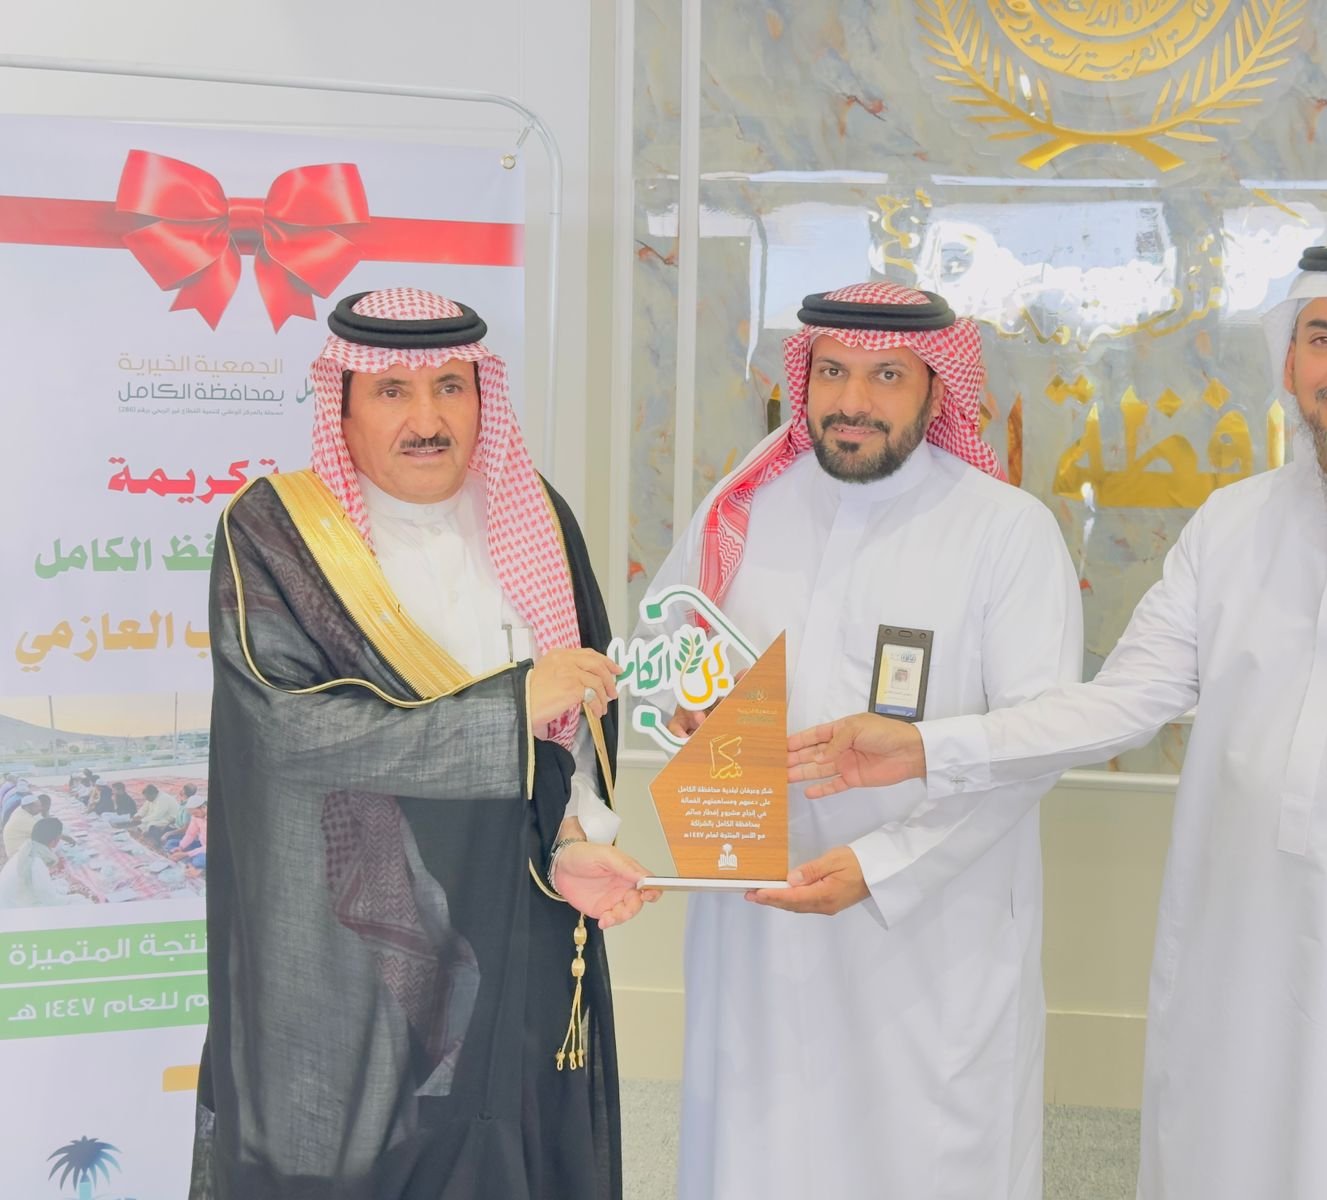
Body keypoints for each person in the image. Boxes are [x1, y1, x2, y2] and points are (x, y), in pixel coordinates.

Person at [789, 242, 1327, 1199]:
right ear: (1290, 362)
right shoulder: (1234, 525)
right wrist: (930, 747)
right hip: (1244, 989)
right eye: (1323, 339)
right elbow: (1121, 701)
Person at [190, 288, 658, 1200]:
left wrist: (571, 841)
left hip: (522, 918)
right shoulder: (279, 532)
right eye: (392, 391)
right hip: (358, 941)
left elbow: (578, 720)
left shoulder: (537, 514)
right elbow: (293, 734)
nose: (429, 419)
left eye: (451, 386)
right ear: (343, 407)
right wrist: (508, 707)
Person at [641, 282, 1081, 1200]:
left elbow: (1034, 742)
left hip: (928, 931)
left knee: (918, 1158)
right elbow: (666, 647)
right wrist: (686, 708)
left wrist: (880, 866)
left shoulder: (1005, 531)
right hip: (758, 922)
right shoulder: (744, 506)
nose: (852, 401)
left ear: (937, 387)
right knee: (758, 1151)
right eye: (833, 371)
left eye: (887, 376)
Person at [0, 818, 85, 907]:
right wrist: (77, 897)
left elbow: (43, 888)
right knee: (82, 901)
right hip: (13, 910)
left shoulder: (28, 849)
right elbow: (51, 901)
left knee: (63, 885)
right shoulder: (36, 862)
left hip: (9, 903)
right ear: (55, 841)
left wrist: (66, 889)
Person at [3, 793, 49, 857]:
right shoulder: (25, 819)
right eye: (37, 806)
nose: (40, 808)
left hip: (15, 847)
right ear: (28, 807)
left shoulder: (20, 810)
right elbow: (46, 834)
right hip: (16, 854)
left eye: (40, 805)